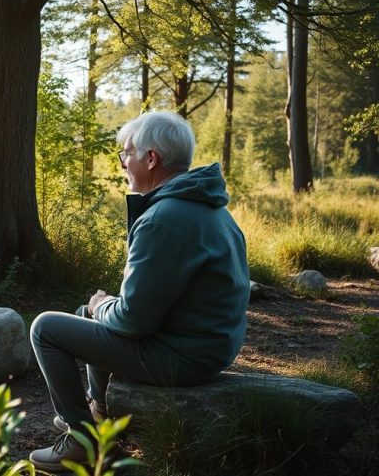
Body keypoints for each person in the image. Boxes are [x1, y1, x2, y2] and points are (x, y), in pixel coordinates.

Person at [28, 111, 251, 471]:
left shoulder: (165, 218)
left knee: (46, 328)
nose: (122, 163)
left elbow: (132, 321)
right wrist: (100, 309)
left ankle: (82, 442)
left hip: (185, 356)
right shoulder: (209, 209)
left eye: (127, 153)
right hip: (211, 344)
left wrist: (104, 305)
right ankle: (99, 415)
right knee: (85, 315)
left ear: (151, 158)